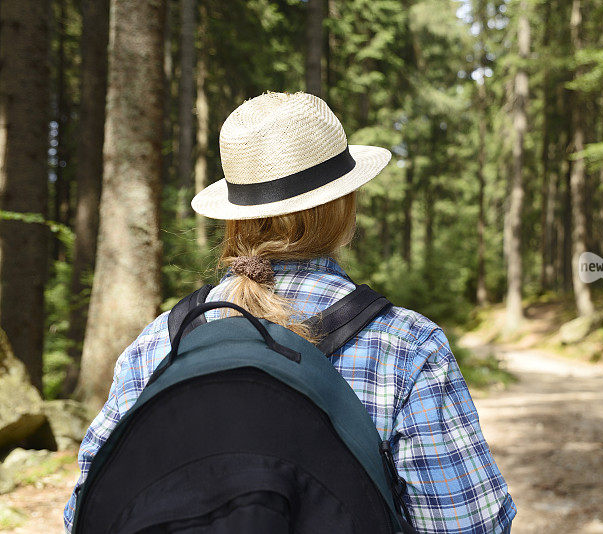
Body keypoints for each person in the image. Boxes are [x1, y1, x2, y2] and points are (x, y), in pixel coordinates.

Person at [64, 92, 515, 533]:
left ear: (235, 215)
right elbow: (467, 523)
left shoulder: (162, 341)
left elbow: (83, 511)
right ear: (344, 206)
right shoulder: (406, 345)